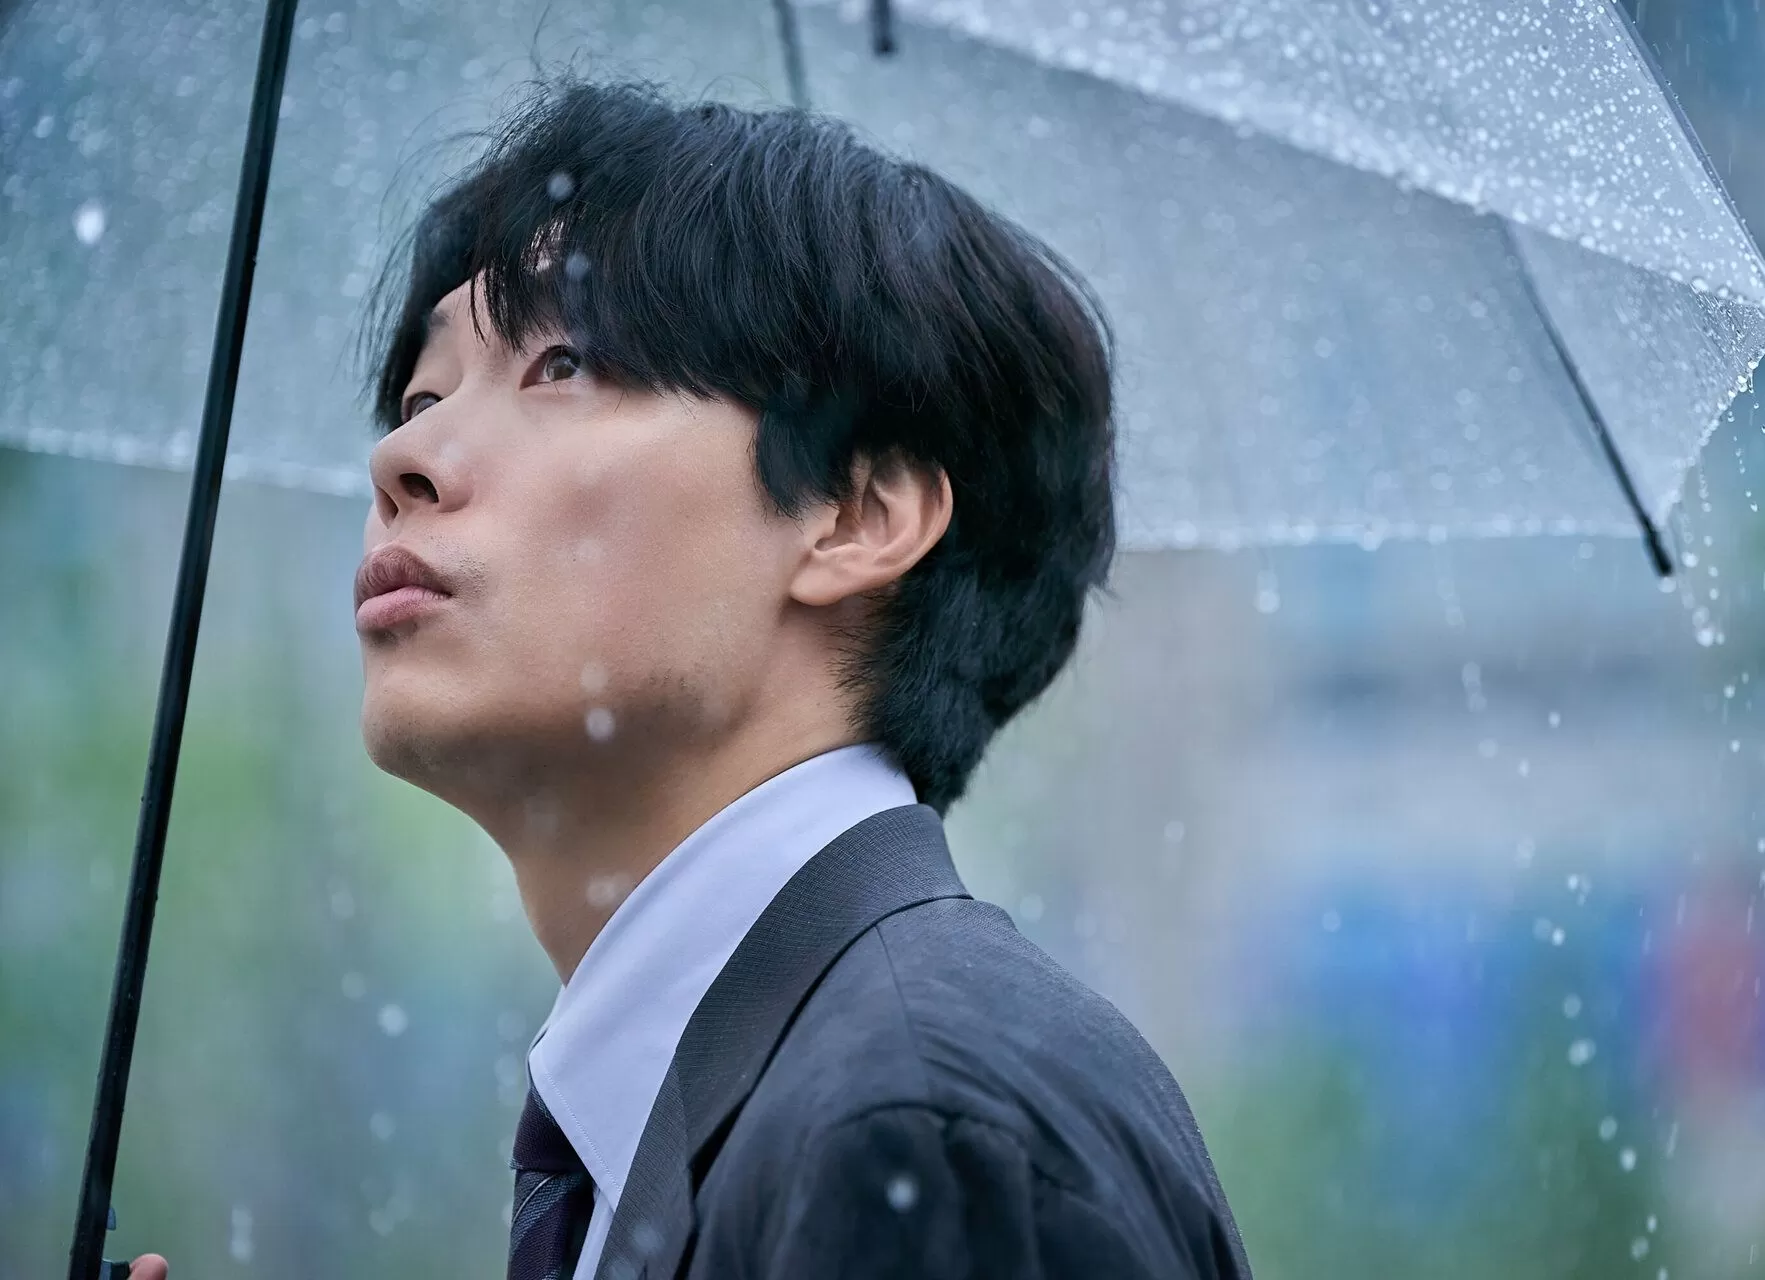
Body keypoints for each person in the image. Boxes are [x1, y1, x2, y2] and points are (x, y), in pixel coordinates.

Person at [133, 76, 1249, 1280]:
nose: (403, 455)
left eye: (561, 362)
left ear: (855, 513)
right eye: (422, 394)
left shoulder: (917, 1127)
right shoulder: (780, 1100)